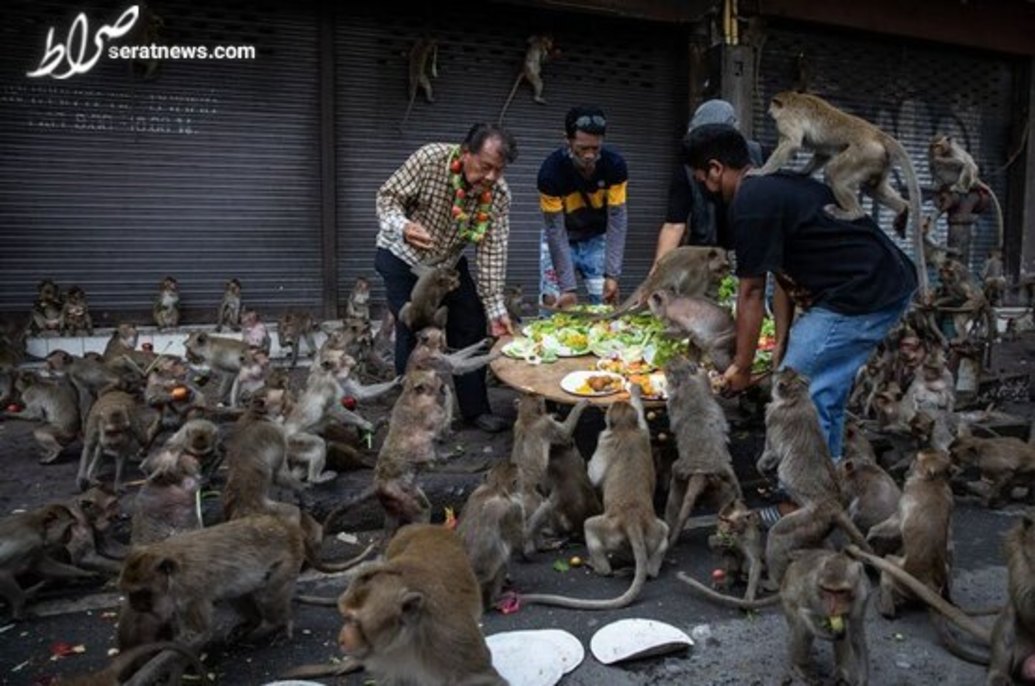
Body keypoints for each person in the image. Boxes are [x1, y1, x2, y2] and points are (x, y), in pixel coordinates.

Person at [683, 123, 917, 460]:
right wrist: (781, 341)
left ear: (715, 169)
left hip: (862, 292)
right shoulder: (772, 188)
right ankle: (828, 482)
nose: (703, 186)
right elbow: (783, 275)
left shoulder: (749, 202)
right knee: (823, 392)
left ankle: (809, 499)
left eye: (701, 177)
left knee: (795, 393)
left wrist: (742, 367)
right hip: (883, 281)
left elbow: (750, 290)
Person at [374, 123, 517, 433]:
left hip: (446, 264)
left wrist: (495, 308)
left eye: (499, 171)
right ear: (466, 153)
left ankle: (476, 409)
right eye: (485, 167)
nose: (491, 178)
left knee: (471, 321)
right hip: (402, 257)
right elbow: (388, 197)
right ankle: (413, 416)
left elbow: (492, 251)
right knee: (415, 330)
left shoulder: (499, 195)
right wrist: (403, 226)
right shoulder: (430, 159)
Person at [652, 99, 765, 267]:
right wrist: (655, 277)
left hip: (749, 252)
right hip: (705, 256)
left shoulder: (758, 157)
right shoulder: (688, 169)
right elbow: (674, 225)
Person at [537, 105, 628, 310]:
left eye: (595, 148)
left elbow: (617, 221)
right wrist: (567, 288)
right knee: (554, 307)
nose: (589, 155)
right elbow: (555, 230)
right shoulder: (549, 173)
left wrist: (613, 275)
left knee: (604, 308)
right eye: (582, 148)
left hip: (596, 238)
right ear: (567, 140)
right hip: (561, 238)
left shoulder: (615, 166)